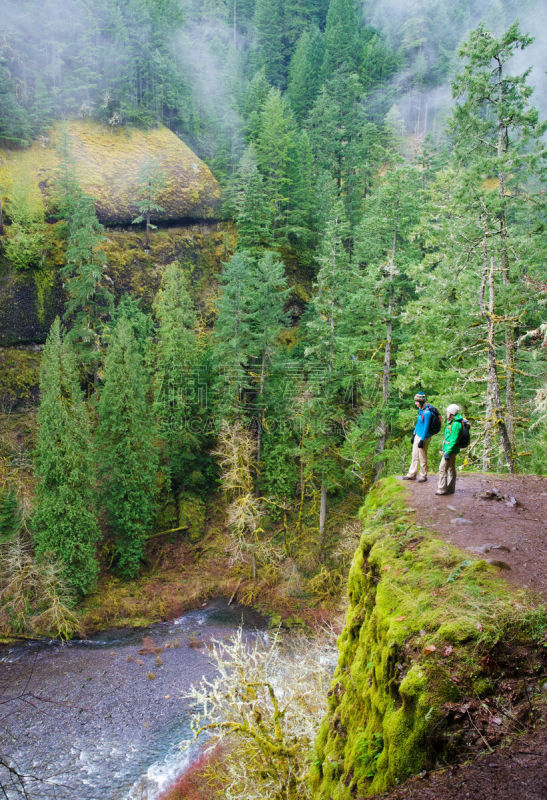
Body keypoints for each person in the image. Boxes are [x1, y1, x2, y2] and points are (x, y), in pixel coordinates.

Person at [402, 392, 433, 482]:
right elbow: (418, 424)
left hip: (424, 437)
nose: (415, 403)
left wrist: (422, 440)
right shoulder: (420, 410)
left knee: (422, 456)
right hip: (417, 435)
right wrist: (414, 434)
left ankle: (423, 475)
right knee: (414, 455)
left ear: (421, 401)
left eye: (416, 401)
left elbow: (426, 427)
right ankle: (412, 474)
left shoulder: (427, 413)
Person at [436, 404, 464, 496]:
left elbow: (453, 439)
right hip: (450, 449)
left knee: (442, 468)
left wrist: (447, 452)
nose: (446, 413)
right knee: (451, 468)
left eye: (448, 412)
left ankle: (442, 489)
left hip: (451, 450)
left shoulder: (456, 424)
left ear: (451, 413)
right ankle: (451, 488)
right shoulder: (453, 422)